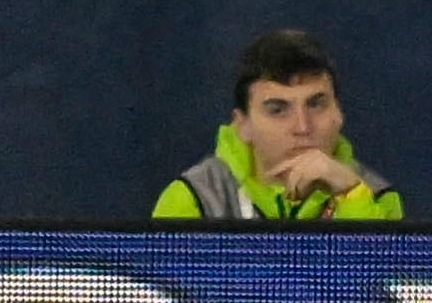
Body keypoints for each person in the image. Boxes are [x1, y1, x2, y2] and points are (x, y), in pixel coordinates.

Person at [154, 30, 402, 220]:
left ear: (338, 112)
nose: (302, 127)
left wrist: (351, 196)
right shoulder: (195, 199)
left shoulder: (376, 197)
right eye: (278, 110)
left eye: (316, 104)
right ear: (243, 126)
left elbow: (376, 285)